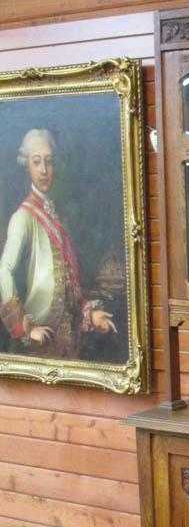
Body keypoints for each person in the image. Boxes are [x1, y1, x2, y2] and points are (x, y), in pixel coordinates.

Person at [0, 129, 116, 359]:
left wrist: (90, 315)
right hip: (41, 337)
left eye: (49, 162)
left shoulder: (54, 214)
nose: (43, 170)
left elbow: (67, 281)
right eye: (36, 162)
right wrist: (27, 328)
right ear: (27, 167)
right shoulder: (23, 217)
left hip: (68, 337)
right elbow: (4, 271)